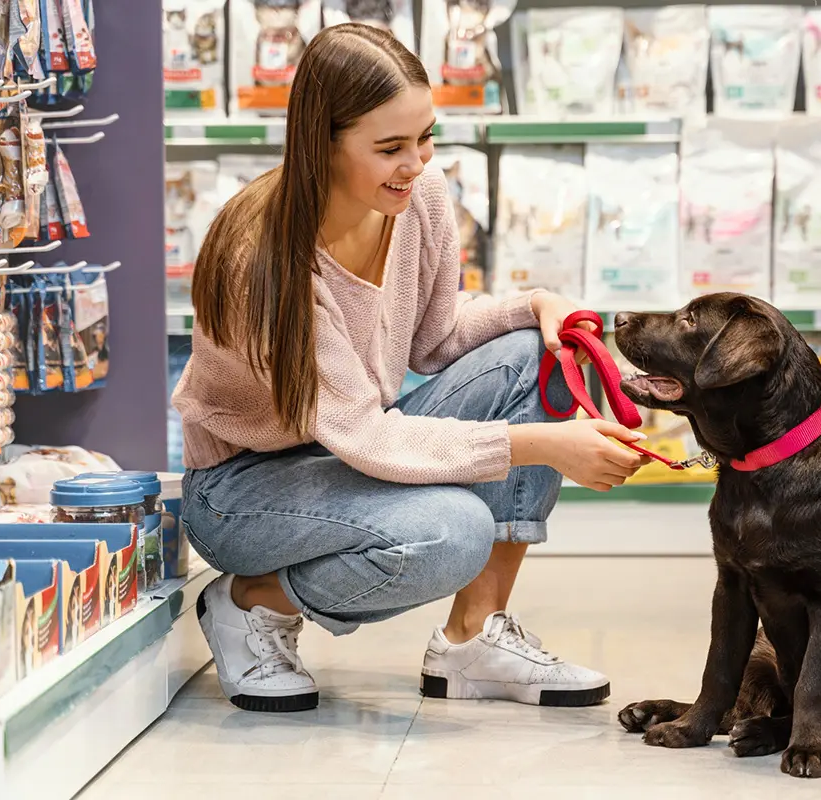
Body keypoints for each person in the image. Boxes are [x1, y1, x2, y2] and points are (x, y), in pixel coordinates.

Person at [171, 23, 650, 714]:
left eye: (425, 137)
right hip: (243, 491)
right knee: (452, 531)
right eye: (390, 147)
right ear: (321, 144)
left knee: (536, 356)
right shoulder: (265, 262)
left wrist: (537, 305)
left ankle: (471, 639)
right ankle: (251, 602)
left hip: (347, 449)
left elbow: (435, 338)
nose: (417, 162)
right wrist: (542, 446)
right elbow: (365, 434)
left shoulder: (416, 196)